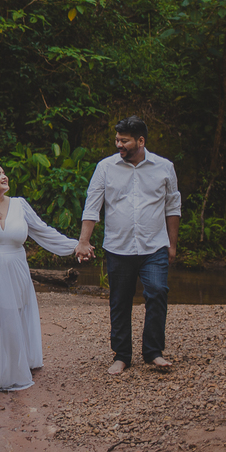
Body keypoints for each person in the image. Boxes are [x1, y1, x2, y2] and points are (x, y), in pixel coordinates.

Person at [0, 162, 95, 397]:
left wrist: (75, 246)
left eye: (4, 173)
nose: (5, 176)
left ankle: (8, 374)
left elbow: (43, 231)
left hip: (14, 274)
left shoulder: (19, 205)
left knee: (9, 321)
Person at [77, 115, 181, 376]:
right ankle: (122, 355)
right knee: (119, 301)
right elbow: (92, 206)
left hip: (154, 246)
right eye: (117, 140)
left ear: (141, 141)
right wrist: (84, 241)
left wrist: (172, 244)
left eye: (124, 141)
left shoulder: (164, 167)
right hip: (118, 247)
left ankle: (153, 352)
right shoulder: (105, 167)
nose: (118, 145)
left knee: (157, 292)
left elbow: (173, 207)